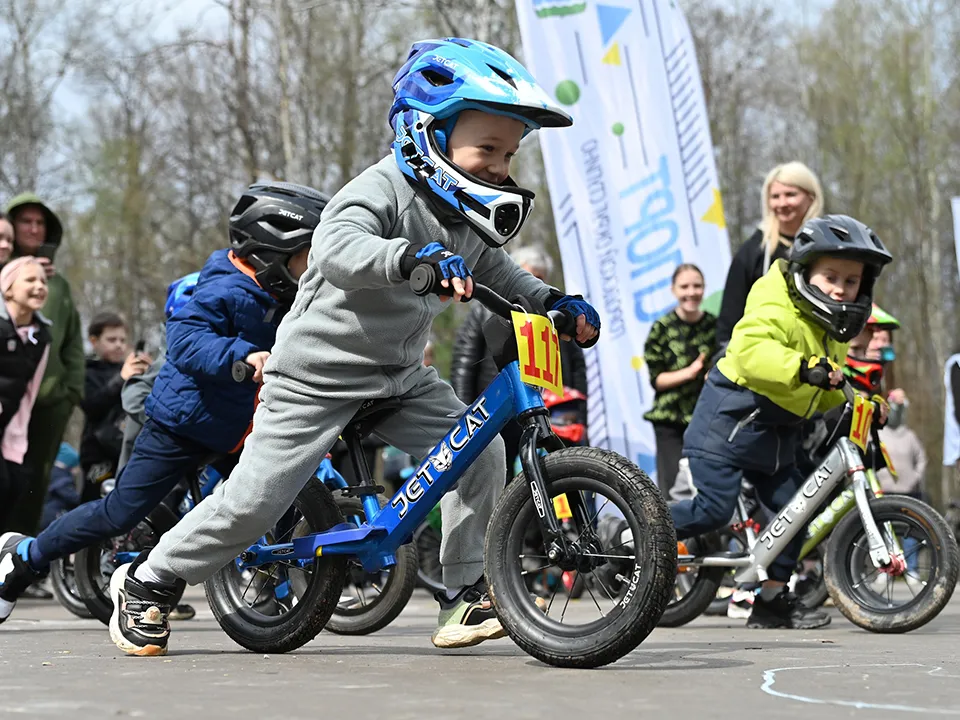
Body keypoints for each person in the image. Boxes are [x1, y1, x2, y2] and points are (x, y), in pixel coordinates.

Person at [105, 37, 598, 657]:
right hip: (318, 374)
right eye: (487, 149)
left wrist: (553, 302)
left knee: (483, 456)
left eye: (510, 152)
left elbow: (498, 274)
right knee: (256, 500)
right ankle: (152, 578)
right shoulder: (381, 188)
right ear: (430, 136)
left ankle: (464, 593)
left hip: (398, 377)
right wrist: (407, 257)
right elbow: (338, 248)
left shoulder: (465, 216)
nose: (501, 166)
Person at [0, 182, 326, 626]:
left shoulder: (288, 294)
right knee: (119, 513)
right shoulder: (222, 288)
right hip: (181, 425)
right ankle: (23, 558)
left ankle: (265, 592)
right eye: (305, 255)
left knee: (275, 498)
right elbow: (188, 341)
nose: (312, 267)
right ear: (270, 251)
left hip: (239, 429)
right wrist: (241, 355)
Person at [672, 214, 892, 630]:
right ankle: (640, 530)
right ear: (806, 271)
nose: (840, 289)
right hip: (728, 424)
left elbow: (830, 385)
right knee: (713, 509)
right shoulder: (776, 299)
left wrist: (863, 401)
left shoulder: (830, 330)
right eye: (831, 276)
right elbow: (752, 351)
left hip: (774, 438)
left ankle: (772, 600)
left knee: (796, 508)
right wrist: (801, 366)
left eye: (851, 282)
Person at [452, 244, 588, 481]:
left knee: (553, 474)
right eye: (528, 276)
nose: (532, 285)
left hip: (546, 407)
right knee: (497, 475)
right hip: (496, 409)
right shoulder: (482, 312)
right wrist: (465, 413)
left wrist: (576, 406)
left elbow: (575, 365)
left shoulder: (550, 317)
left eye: (540, 279)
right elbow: (465, 363)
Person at [4, 194, 85, 538]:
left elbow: (73, 344)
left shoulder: (59, 285)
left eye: (40, 223)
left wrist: (69, 391)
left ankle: (18, 556)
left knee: (36, 478)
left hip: (51, 401)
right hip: (8, 398)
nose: (34, 228)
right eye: (26, 221)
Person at [714, 162, 824, 358]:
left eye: (790, 194)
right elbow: (730, 318)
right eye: (775, 196)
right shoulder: (753, 252)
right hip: (766, 358)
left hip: (819, 354)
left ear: (811, 197)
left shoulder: (827, 248)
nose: (781, 203)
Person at [643, 263, 715, 497]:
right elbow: (657, 379)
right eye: (684, 286)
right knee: (674, 491)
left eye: (697, 286)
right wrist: (691, 371)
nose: (691, 292)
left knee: (708, 488)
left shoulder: (716, 326)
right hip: (670, 421)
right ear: (674, 290)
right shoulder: (661, 329)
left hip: (707, 421)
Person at [0, 258, 51, 531]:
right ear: (8, 288)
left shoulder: (41, 337)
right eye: (30, 280)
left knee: (15, 484)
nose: (39, 286)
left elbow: (28, 395)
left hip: (8, 424)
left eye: (43, 281)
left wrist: (15, 443)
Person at [81, 312, 152, 501]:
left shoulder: (130, 368)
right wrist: (122, 379)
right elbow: (92, 405)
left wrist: (149, 376)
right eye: (111, 339)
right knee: (94, 502)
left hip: (126, 449)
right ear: (94, 341)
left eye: (122, 339)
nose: (119, 345)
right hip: (97, 453)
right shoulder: (87, 371)